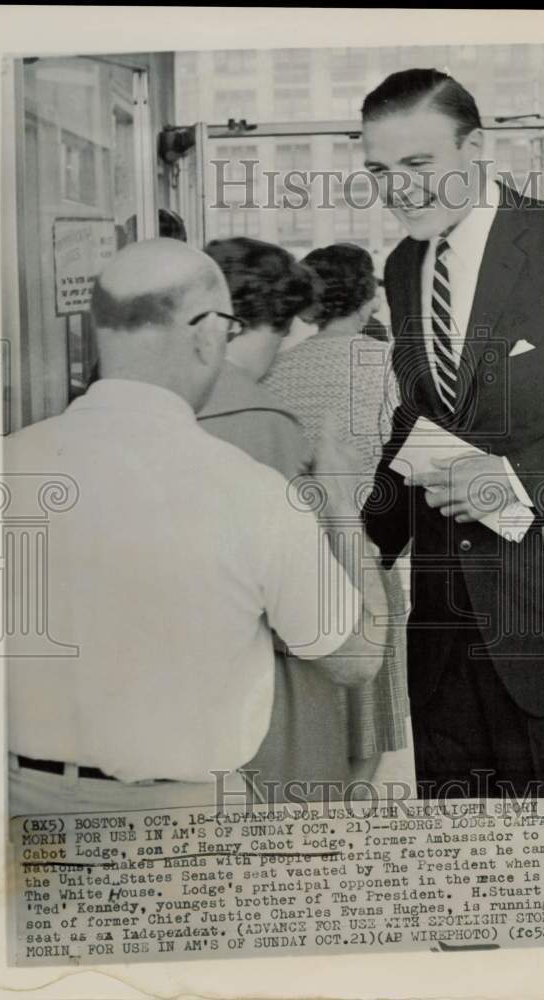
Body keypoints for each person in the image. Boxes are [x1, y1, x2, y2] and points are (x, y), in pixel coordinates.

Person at [6, 238, 388, 815]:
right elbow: (355, 658)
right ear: (208, 332)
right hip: (183, 818)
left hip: (12, 805)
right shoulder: (249, 488)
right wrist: (341, 504)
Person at [360, 69, 544, 798]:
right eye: (378, 171)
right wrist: (364, 540)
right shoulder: (402, 266)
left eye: (418, 165)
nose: (398, 188)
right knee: (465, 868)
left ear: (475, 147)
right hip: (445, 627)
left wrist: (523, 477)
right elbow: (424, 414)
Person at [197, 236, 349, 801]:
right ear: (238, 326)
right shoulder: (265, 425)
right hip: (265, 694)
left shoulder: (149, 400)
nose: (280, 352)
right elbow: (309, 606)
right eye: (281, 333)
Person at [263, 243, 410, 786]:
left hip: (295, 562)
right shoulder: (390, 367)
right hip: (367, 551)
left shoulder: (275, 371)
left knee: (306, 712)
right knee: (368, 718)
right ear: (369, 298)